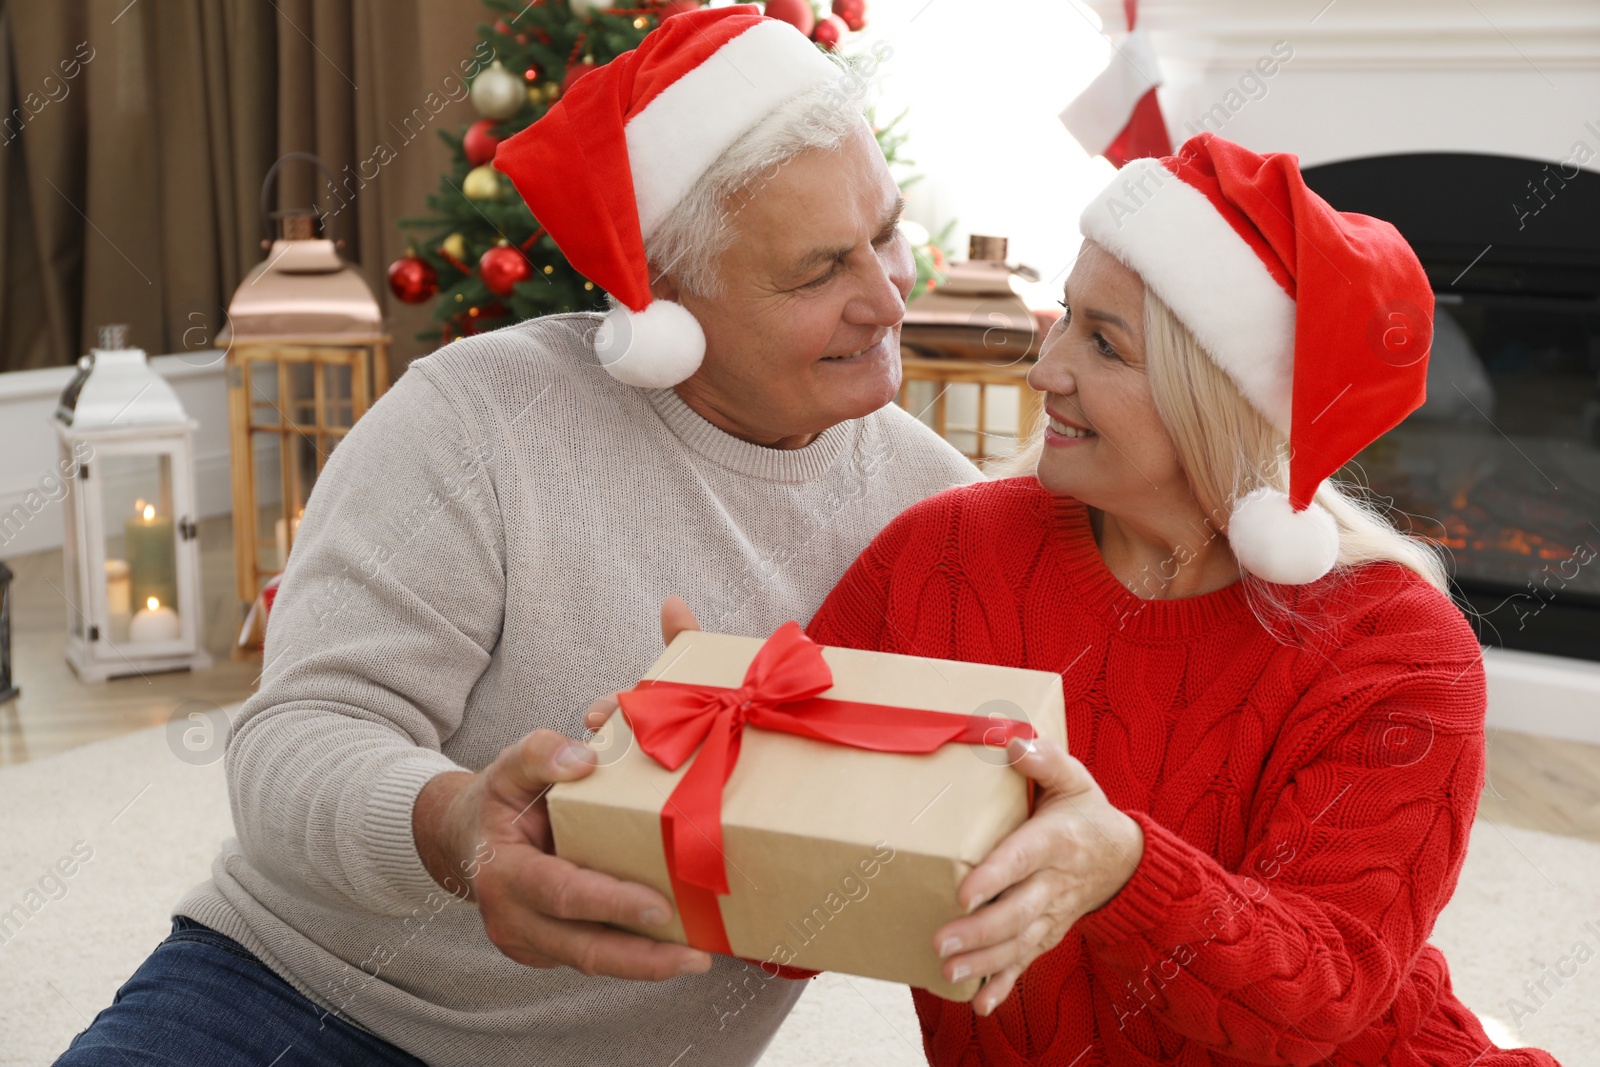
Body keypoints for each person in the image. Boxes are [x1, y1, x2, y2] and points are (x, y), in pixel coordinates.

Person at [53, 8, 977, 1067]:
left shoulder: (938, 514)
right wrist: (455, 829)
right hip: (299, 1000)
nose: (887, 295)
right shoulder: (476, 420)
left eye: (888, 231)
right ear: (664, 300)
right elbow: (293, 737)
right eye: (817, 272)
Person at [800, 134, 1564, 1065]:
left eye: (1104, 342)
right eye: (1066, 317)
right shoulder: (945, 556)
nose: (1045, 371)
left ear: (1221, 398)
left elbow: (1320, 995)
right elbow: (792, 891)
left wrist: (1123, 869)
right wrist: (673, 767)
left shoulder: (1396, 645)